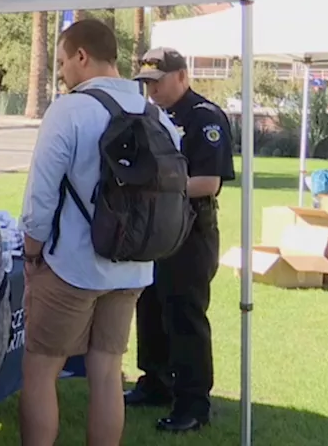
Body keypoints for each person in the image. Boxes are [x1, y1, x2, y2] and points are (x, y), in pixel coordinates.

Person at [19, 19, 180, 446]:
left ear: (81, 57)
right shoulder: (156, 115)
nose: (62, 72)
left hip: (72, 264)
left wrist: (32, 256)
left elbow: (40, 199)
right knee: (107, 371)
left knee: (40, 369)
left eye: (62, 62)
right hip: (132, 267)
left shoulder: (69, 110)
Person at [129, 47, 234, 432]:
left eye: (157, 82)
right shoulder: (150, 116)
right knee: (151, 306)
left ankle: (193, 402)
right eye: (146, 83)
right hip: (155, 229)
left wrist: (157, 188)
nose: (151, 90)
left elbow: (210, 182)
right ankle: (155, 381)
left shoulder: (204, 117)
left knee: (184, 314)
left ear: (181, 76)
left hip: (192, 231)